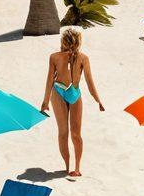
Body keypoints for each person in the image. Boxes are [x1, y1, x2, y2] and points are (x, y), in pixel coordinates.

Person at [41, 27, 104, 178]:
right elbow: (89, 83)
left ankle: (70, 167)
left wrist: (98, 99)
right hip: (67, 93)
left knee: (67, 133)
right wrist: (98, 100)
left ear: (63, 41)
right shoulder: (76, 57)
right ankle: (72, 167)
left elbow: (50, 80)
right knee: (72, 134)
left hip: (63, 92)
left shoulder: (61, 57)